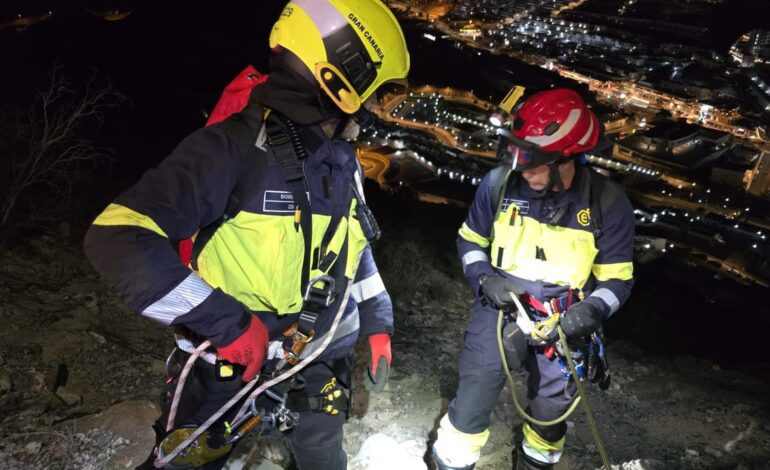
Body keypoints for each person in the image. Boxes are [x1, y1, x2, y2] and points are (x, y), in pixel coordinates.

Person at [83, 1, 409, 468]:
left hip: (320, 358)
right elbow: (116, 238)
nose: (377, 108)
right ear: (341, 76)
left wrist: (378, 322)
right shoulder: (232, 147)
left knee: (323, 459)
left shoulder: (341, 160)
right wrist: (228, 325)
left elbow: (348, 248)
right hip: (234, 365)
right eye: (376, 93)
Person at [432, 89, 635, 470]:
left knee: (550, 414)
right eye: (519, 157)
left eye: (534, 162)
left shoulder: (607, 203)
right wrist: (485, 280)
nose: (524, 170)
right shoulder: (499, 185)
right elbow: (470, 241)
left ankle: (536, 462)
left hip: (565, 320)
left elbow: (617, 280)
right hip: (500, 308)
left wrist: (591, 311)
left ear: (567, 158)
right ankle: (452, 462)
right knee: (474, 393)